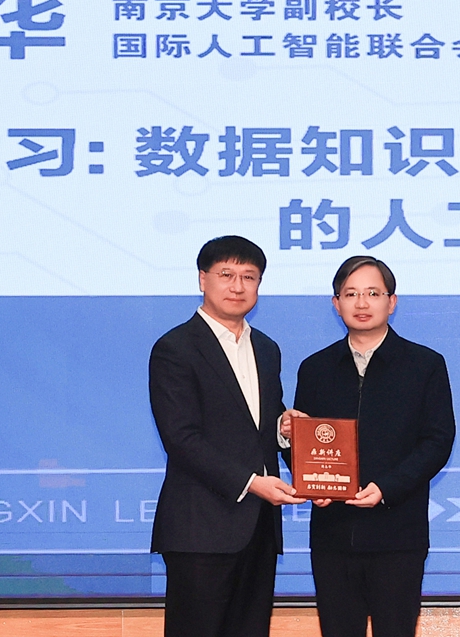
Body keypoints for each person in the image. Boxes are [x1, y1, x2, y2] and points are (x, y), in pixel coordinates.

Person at [282, 255, 455, 637]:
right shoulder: (315, 368)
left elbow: (438, 440)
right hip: (332, 535)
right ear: (336, 303)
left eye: (373, 293)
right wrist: (301, 464)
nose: (362, 303)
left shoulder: (424, 365)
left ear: (392, 302)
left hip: (398, 534)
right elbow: (304, 442)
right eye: (351, 294)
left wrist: (386, 488)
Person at [149, 235, 305, 637]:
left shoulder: (266, 348)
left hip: (259, 529)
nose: (238, 286)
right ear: (203, 279)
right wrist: (252, 483)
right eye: (226, 274)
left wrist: (284, 431)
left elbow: (260, 425)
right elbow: (181, 438)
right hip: (200, 529)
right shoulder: (175, 348)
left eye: (249, 277)